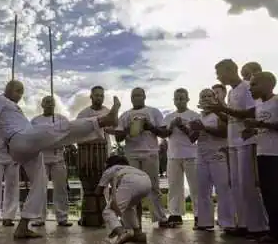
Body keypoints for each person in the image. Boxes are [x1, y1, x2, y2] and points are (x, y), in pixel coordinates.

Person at [0, 80, 120, 239]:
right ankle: (103, 120)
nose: (20, 94)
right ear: (8, 89)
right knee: (60, 129)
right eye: (17, 90)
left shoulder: (15, 108)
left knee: (41, 182)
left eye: (22, 91)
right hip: (20, 140)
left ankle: (23, 226)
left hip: (26, 147)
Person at [204, 59, 268, 238]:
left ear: (230, 70)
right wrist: (219, 110)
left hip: (246, 141)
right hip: (233, 142)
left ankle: (259, 226)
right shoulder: (232, 92)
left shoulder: (247, 87)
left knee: (248, 185)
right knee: (237, 185)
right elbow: (231, 116)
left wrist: (223, 109)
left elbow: (251, 112)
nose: (218, 77)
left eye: (219, 73)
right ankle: (244, 223)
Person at [244, 72, 278, 244]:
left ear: (268, 84)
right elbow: (264, 129)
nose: (250, 88)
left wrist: (260, 125)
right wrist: (253, 131)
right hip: (263, 154)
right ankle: (276, 233)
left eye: (254, 84)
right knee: (269, 196)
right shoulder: (258, 105)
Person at [114, 87, 171, 228]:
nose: (136, 98)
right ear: (131, 98)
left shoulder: (154, 112)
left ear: (144, 96)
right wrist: (129, 128)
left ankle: (160, 218)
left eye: (139, 95)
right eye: (134, 96)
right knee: (132, 188)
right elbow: (117, 138)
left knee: (153, 187)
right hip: (131, 154)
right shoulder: (125, 115)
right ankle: (133, 221)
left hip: (150, 153)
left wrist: (149, 127)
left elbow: (164, 133)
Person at [191, 89, 235, 232]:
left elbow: (224, 133)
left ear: (215, 98)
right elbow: (192, 139)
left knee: (222, 189)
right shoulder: (200, 116)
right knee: (202, 190)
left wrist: (204, 128)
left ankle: (227, 222)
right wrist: (193, 130)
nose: (206, 98)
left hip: (218, 154)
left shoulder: (220, 114)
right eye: (203, 96)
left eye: (209, 96)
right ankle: (204, 222)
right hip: (201, 154)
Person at [160, 88, 200, 227]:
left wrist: (182, 126)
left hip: (191, 155)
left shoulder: (194, 115)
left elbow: (195, 137)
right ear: (174, 100)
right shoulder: (168, 117)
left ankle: (199, 215)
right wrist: (171, 125)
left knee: (195, 186)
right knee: (174, 186)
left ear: (188, 99)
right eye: (177, 98)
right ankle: (175, 214)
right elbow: (164, 134)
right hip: (173, 155)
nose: (179, 101)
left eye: (182, 98)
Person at [75, 85, 115, 227]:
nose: (99, 97)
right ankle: (86, 217)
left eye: (101, 95)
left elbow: (114, 129)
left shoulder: (108, 111)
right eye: (96, 95)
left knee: (103, 185)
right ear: (91, 97)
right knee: (86, 188)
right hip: (86, 152)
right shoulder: (83, 113)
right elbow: (77, 131)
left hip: (103, 150)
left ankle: (104, 218)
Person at [95, 155, 152, 244]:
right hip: (147, 181)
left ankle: (121, 233)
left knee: (107, 211)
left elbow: (98, 192)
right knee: (128, 207)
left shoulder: (111, 169)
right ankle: (138, 234)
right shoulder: (131, 168)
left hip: (130, 182)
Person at [30, 96, 72, 227]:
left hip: (58, 158)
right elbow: (31, 138)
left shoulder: (61, 119)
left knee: (61, 189)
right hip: (41, 158)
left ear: (55, 105)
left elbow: (68, 136)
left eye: (51, 102)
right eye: (46, 102)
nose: (49, 104)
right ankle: (39, 218)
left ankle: (62, 217)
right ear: (42, 104)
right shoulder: (35, 121)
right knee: (39, 189)